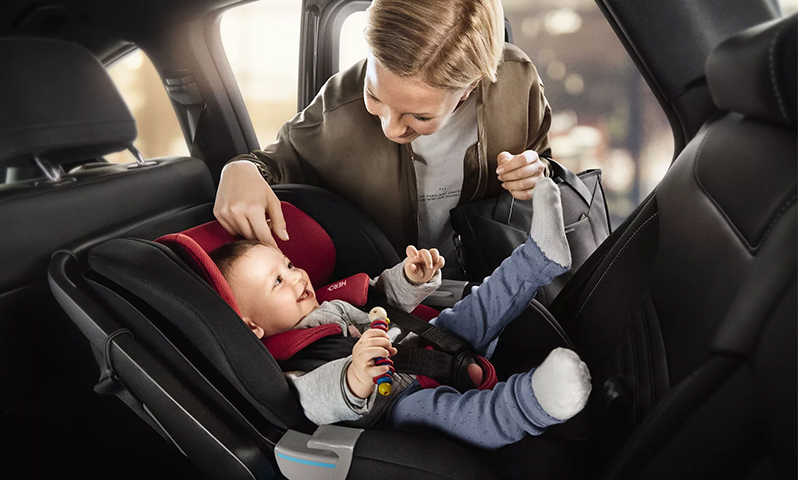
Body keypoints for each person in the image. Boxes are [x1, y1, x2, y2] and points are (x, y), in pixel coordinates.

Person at [211, 178, 591, 449]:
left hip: (426, 343)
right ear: (253, 326)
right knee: (458, 416)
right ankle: (535, 402)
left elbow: (382, 296)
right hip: (396, 403)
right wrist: (355, 374)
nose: (295, 278)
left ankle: (539, 256)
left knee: (479, 304)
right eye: (277, 282)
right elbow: (315, 399)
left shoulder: (332, 303)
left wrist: (411, 278)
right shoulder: (289, 361)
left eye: (289, 265)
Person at [214, 0, 555, 276]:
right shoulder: (338, 102)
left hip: (495, 283)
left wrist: (537, 174)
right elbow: (276, 162)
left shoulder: (518, 81)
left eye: (420, 116)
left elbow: (547, 166)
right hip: (389, 301)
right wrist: (240, 169)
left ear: (469, 88)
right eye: (375, 96)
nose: (391, 129)